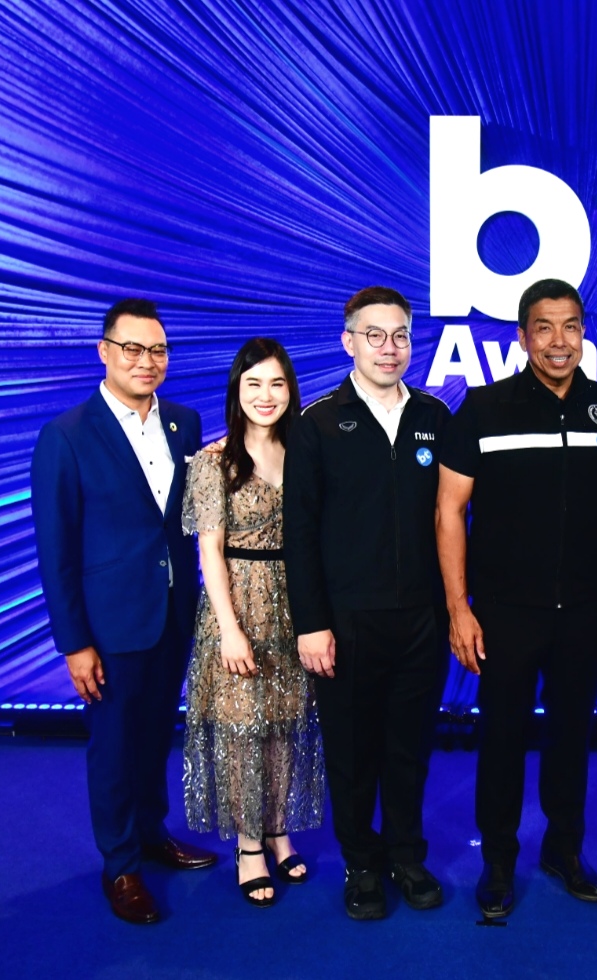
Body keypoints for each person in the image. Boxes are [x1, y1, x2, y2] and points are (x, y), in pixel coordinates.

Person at [435, 278, 597, 919]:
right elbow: (449, 512)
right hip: (503, 611)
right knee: (502, 736)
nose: (559, 340)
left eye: (570, 326)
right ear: (523, 337)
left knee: (572, 735)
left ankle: (563, 851)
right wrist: (459, 608)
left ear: (584, 333)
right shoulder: (484, 408)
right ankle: (498, 860)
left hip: (583, 607)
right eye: (544, 327)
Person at [30, 298, 216, 925]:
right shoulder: (66, 435)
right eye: (132, 349)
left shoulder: (184, 424)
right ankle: (121, 866)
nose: (146, 361)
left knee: (155, 733)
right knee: (112, 746)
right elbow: (56, 549)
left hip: (173, 614)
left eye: (158, 350)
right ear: (104, 352)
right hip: (109, 627)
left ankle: (151, 833)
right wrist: (74, 642)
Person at [284, 287, 453, 920]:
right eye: (375, 335)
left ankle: (406, 856)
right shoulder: (318, 423)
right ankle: (360, 863)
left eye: (400, 335)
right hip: (346, 622)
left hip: (422, 618)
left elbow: (453, 519)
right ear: (348, 341)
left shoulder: (435, 417)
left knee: (409, 748)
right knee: (352, 752)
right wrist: (312, 625)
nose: (390, 348)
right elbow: (299, 535)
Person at [182, 337, 326, 907]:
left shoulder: (306, 451)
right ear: (236, 391)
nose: (266, 396)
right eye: (253, 384)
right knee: (243, 730)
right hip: (238, 605)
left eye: (276, 383)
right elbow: (210, 552)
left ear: (291, 390)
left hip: (297, 605)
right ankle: (248, 847)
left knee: (285, 724)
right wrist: (230, 629)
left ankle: (277, 829)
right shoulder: (213, 462)